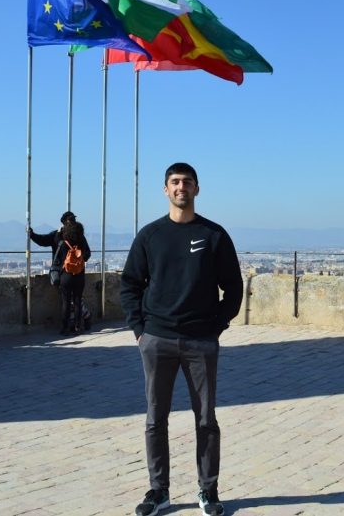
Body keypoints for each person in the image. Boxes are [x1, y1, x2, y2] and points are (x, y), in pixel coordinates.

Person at [120, 163, 243, 516]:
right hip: (156, 339)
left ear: (197, 189)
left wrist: (217, 325)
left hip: (200, 340)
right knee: (155, 418)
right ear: (165, 190)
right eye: (174, 182)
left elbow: (233, 287)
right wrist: (140, 331)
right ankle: (159, 491)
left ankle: (209, 490)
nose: (180, 187)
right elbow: (130, 284)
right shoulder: (150, 236)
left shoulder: (214, 234)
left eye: (187, 182)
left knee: (206, 419)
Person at [29, 211, 92, 335]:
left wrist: (31, 234)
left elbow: (42, 241)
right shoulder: (80, 236)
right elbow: (87, 254)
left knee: (66, 302)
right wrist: (78, 260)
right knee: (78, 300)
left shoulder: (58, 235)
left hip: (65, 275)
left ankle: (65, 328)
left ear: (63, 222)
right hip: (79, 274)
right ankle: (78, 327)